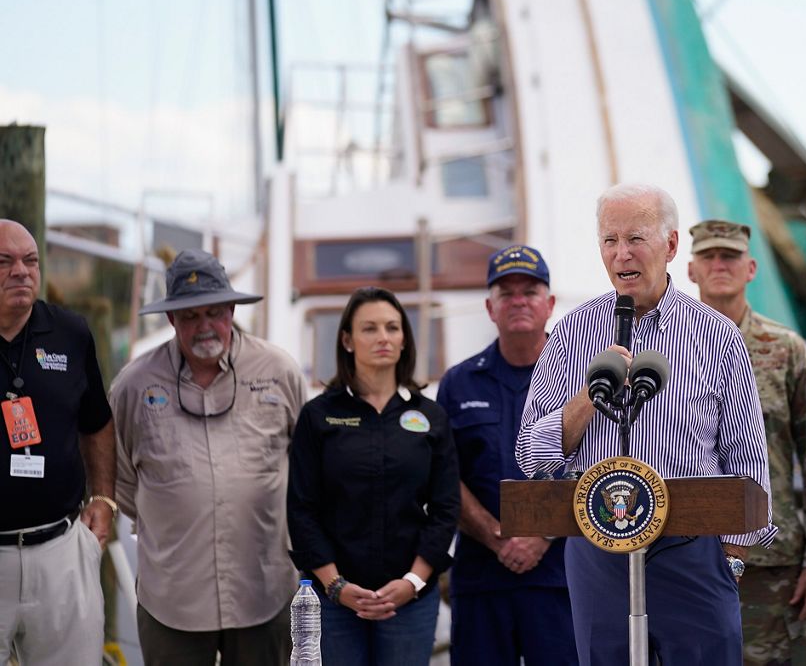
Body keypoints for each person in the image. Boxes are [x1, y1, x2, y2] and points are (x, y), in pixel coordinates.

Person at [516, 183, 775, 666]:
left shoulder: (716, 335)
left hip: (692, 549)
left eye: (635, 238)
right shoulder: (571, 333)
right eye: (609, 241)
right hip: (597, 548)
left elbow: (747, 460)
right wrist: (590, 397)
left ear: (671, 246)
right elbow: (530, 454)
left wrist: (733, 557)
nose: (621, 254)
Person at [109, 248, 306, 664]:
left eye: (214, 312)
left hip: (264, 590)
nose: (204, 326)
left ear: (232, 310)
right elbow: (122, 480)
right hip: (172, 598)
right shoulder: (133, 385)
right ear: (170, 320)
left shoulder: (279, 371)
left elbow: (308, 468)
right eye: (190, 316)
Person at [288, 286, 460, 665]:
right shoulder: (319, 416)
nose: (383, 337)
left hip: (409, 602)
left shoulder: (430, 418)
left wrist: (411, 583)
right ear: (347, 340)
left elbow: (446, 509)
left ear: (404, 339)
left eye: (392, 327)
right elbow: (301, 509)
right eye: (370, 328)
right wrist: (337, 587)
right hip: (334, 601)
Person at [687, 219, 806, 666]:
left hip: (772, 561)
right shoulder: (665, 349)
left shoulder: (785, 349)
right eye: (708, 256)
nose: (719, 265)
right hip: (688, 551)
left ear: (750, 268)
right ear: (691, 270)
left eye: (729, 256)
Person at [436, 244, 576, 665]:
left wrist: (542, 535)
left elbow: (598, 467)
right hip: (482, 578)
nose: (518, 301)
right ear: (489, 307)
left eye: (529, 291)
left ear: (550, 304)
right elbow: (444, 476)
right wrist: (498, 539)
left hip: (563, 578)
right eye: (506, 292)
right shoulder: (459, 384)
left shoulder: (582, 380)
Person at [0, 219, 115, 666]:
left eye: (30, 261)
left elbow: (97, 423)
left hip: (60, 551)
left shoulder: (71, 333)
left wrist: (103, 498)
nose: (21, 272)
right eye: (4, 262)